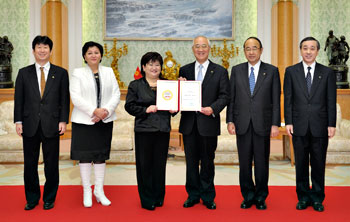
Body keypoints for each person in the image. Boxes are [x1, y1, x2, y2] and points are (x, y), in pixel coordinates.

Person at [14, 35, 70, 210]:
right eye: (39, 47)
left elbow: (64, 99)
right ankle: (31, 198)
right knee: (29, 164)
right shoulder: (24, 73)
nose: (42, 50)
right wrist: (18, 121)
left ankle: (49, 198)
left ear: (50, 51)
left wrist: (63, 120)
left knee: (52, 164)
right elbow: (19, 100)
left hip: (52, 124)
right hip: (29, 124)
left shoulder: (60, 73)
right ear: (33, 50)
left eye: (45, 47)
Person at [226, 37, 281, 210]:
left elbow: (275, 100)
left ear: (261, 50)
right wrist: (230, 120)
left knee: (262, 162)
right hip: (242, 123)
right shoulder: (236, 70)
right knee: (244, 163)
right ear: (244, 51)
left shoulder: (271, 71)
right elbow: (231, 98)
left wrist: (275, 124)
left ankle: (260, 197)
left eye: (254, 48)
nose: (251, 52)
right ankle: (248, 195)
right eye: (248, 49)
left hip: (263, 124)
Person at [284, 36, 336, 212]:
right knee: (300, 164)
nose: (308, 51)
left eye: (312, 48)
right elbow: (288, 99)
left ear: (317, 51)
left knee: (318, 163)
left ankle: (317, 198)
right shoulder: (291, 72)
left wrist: (332, 124)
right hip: (298, 125)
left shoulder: (327, 72)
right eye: (305, 48)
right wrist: (288, 121)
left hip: (320, 125)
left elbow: (331, 99)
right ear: (300, 50)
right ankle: (303, 197)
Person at [179, 36, 230, 210]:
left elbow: (225, 96)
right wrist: (179, 87)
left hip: (208, 123)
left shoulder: (221, 71)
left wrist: (213, 108)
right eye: (197, 46)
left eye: (204, 46)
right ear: (193, 49)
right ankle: (192, 195)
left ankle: (208, 196)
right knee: (191, 162)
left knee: (208, 161)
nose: (200, 49)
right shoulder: (184, 70)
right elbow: (179, 98)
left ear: (209, 48)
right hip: (189, 124)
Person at [70, 41, 120, 208]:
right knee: (84, 156)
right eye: (89, 52)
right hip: (84, 120)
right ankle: (86, 190)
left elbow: (116, 93)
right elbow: (76, 97)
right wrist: (94, 111)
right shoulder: (77, 73)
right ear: (84, 56)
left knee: (100, 156)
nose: (93, 55)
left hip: (104, 120)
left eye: (96, 52)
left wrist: (104, 111)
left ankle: (99, 190)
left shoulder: (108, 71)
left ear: (101, 55)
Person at [125, 52, 175, 210]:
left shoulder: (168, 84)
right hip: (144, 130)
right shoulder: (135, 85)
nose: (154, 68)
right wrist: (146, 109)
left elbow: (174, 105)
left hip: (162, 129)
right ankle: (147, 199)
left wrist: (175, 110)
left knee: (160, 165)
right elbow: (129, 106)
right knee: (145, 165)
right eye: (150, 64)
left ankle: (159, 196)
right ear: (144, 67)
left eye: (157, 65)